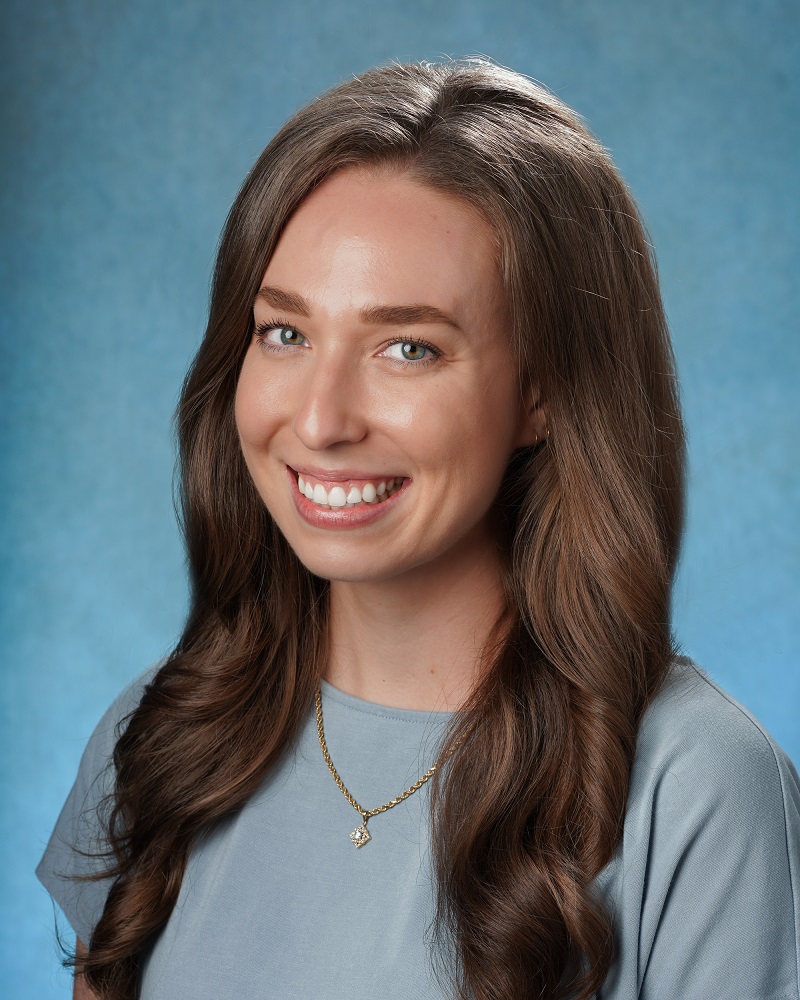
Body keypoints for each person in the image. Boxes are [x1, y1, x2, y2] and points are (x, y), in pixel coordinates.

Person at [37, 59, 799, 1000]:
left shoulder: (697, 790)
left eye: (409, 348)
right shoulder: (158, 734)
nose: (321, 421)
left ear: (545, 391)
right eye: (284, 333)